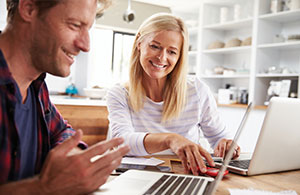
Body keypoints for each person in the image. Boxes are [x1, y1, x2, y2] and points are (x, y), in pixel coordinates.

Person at [0, 0, 129, 194]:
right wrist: (44, 188)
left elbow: (62, 133)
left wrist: (73, 161)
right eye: (75, 25)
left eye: (88, 29)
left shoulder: (36, 86)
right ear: (29, 8)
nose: (85, 46)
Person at [106, 13, 240, 176]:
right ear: (139, 43)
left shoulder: (196, 89)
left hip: (187, 176)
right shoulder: (119, 93)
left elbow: (218, 137)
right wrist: (170, 139)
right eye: (155, 46)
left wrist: (226, 145)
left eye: (172, 52)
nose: (162, 57)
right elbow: (122, 142)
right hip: (136, 177)